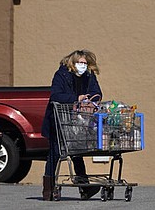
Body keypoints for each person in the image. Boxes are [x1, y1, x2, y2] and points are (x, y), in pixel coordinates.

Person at [40, 49, 102, 201]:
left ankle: (85, 187)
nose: (83, 65)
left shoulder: (89, 76)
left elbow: (97, 92)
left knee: (76, 152)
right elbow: (55, 95)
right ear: (73, 63)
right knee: (55, 154)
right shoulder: (61, 75)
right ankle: (48, 189)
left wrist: (92, 101)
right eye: (80, 62)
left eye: (85, 63)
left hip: (77, 121)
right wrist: (76, 98)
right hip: (59, 120)